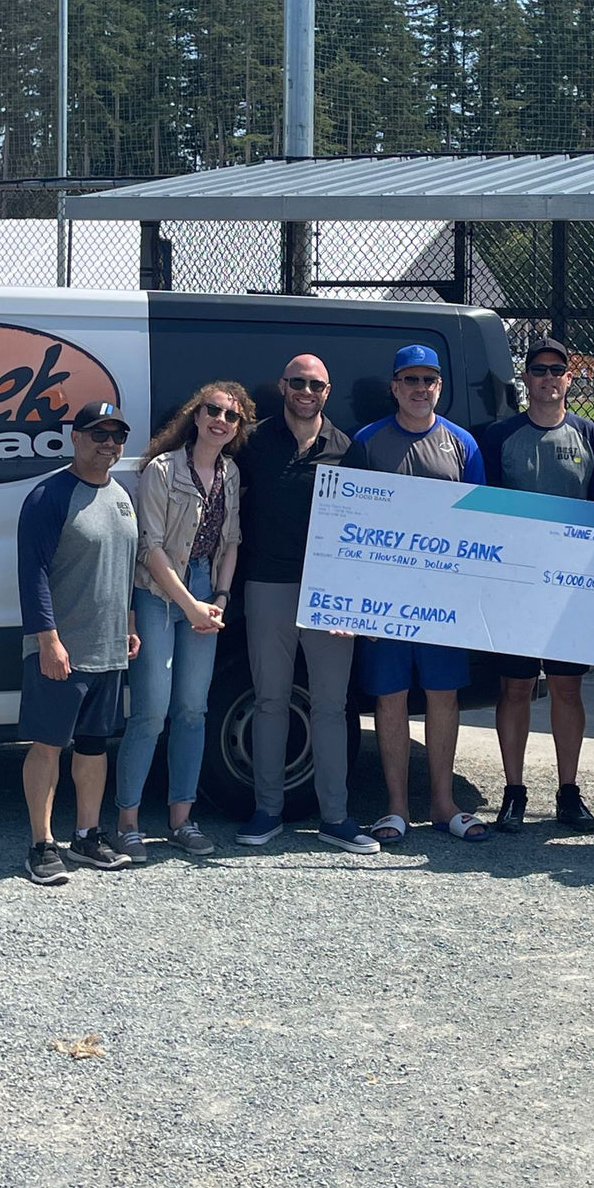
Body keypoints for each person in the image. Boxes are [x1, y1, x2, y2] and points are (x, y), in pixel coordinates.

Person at [235, 354, 379, 855]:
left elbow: (366, 529)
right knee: (270, 701)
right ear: (282, 386)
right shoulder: (253, 442)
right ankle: (267, 810)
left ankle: (335, 817)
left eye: (315, 384)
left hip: (329, 594)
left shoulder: (348, 448)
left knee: (331, 707)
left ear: (327, 391)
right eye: (297, 382)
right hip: (266, 584)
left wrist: (356, 600)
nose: (306, 391)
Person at [351, 344, 489, 845]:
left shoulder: (462, 444)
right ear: (394, 387)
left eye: (428, 380)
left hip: (442, 599)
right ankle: (395, 807)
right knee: (388, 698)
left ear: (439, 386)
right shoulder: (367, 442)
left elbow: (480, 523)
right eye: (409, 379)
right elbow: (348, 522)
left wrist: (471, 597)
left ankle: (443, 803)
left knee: (443, 695)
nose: (419, 388)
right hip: (384, 599)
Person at [480, 337, 594, 833]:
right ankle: (513, 791)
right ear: (526, 378)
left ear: (569, 377)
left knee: (566, 688)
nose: (548, 378)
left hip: (568, 590)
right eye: (538, 370)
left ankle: (568, 791)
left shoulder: (591, 437)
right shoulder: (499, 436)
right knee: (515, 688)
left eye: (557, 370)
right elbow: (485, 510)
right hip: (515, 587)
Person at [114, 381, 252, 863]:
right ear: (196, 415)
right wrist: (190, 605)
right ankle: (127, 823)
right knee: (150, 712)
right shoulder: (161, 469)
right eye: (213, 410)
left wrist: (218, 597)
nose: (220, 420)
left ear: (238, 427)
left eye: (231, 416)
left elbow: (230, 542)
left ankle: (181, 819)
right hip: (158, 592)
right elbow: (149, 546)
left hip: (204, 589)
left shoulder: (230, 473)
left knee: (193, 710)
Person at [16, 401, 138, 885]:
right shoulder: (49, 496)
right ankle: (41, 845)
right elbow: (32, 574)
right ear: (76, 438)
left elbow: (125, 567)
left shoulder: (121, 496)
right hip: (62, 649)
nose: (108, 444)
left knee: (93, 746)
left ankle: (87, 836)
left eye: (116, 436)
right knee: (48, 745)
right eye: (97, 434)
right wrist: (47, 639)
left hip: (108, 648)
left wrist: (129, 625)